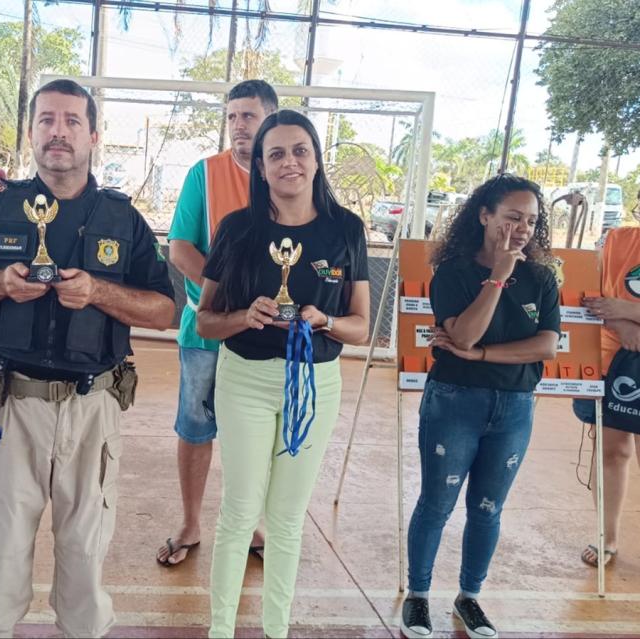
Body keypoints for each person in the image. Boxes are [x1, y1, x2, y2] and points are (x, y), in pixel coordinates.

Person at [0, 79, 175, 638]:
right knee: (5, 547)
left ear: (92, 134)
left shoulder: (123, 219)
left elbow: (163, 311)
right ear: (31, 133)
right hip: (12, 405)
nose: (57, 132)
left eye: (69, 121)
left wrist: (100, 292)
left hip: (95, 406)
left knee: (86, 549)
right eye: (45, 120)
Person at [196, 109, 370, 638]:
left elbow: (361, 327)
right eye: (276, 154)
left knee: (288, 519)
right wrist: (240, 316)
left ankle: (277, 630)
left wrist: (327, 321)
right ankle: (220, 630)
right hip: (244, 380)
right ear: (262, 168)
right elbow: (205, 318)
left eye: (299, 150)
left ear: (316, 158)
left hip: (314, 385)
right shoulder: (238, 229)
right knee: (239, 511)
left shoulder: (346, 229)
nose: (289, 162)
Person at [400, 174, 560, 639]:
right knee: (436, 504)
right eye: (513, 216)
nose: (523, 228)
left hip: (514, 406)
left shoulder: (542, 278)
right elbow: (464, 333)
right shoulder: (453, 273)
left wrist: (485, 355)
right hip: (454, 403)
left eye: (531, 220)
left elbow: (547, 345)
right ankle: (418, 596)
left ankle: (470, 597)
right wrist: (498, 277)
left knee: (488, 509)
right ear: (484, 215)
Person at [158, 79, 278, 568]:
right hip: (205, 331)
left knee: (255, 433)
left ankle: (252, 520)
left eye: (248, 115)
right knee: (195, 427)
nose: (237, 125)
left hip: (269, 336)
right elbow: (180, 246)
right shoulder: (204, 175)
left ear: (271, 118)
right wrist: (224, 297)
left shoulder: (290, 175)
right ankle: (190, 521)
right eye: (231, 116)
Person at [573, 197, 640, 569]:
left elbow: (619, 303)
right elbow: (590, 296)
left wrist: (630, 311)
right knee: (613, 451)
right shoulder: (617, 240)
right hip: (614, 361)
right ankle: (607, 537)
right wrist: (620, 324)